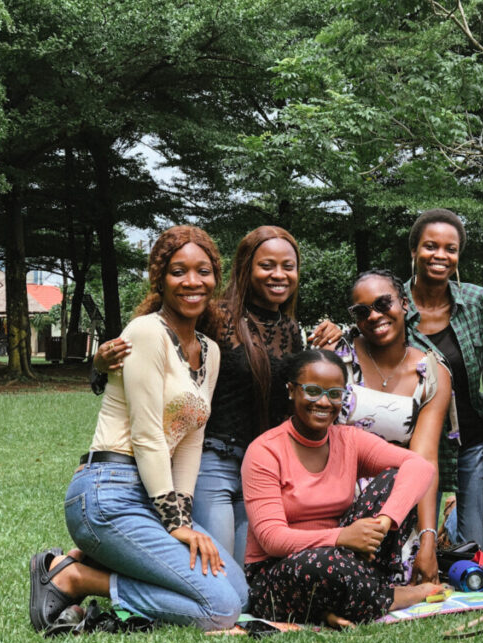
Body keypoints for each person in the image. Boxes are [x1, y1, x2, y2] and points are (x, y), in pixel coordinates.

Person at [28, 226, 248, 632]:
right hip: (109, 492)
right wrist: (177, 524)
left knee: (238, 592)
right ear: (160, 279)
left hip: (154, 498)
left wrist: (178, 514)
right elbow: (147, 435)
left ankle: (89, 561)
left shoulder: (210, 351)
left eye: (203, 271)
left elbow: (190, 441)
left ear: (216, 277)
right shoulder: (145, 333)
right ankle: (76, 578)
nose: (192, 282)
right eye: (178, 271)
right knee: (220, 609)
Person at [93, 226, 342, 566]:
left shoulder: (290, 330)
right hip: (213, 461)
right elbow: (154, 352)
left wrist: (328, 343)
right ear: (245, 268)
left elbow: (296, 396)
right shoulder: (217, 317)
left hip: (261, 469)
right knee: (218, 569)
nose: (279, 275)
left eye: (289, 266)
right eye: (267, 265)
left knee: (246, 578)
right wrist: (98, 366)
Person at [241, 350, 442, 627]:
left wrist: (381, 525)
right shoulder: (265, 451)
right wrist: (342, 537)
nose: (324, 402)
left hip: (347, 558)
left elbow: (421, 467)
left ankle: (335, 607)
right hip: (278, 574)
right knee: (325, 564)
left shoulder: (348, 440)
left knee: (398, 479)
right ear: (291, 390)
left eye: (334, 394)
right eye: (312, 391)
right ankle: (390, 596)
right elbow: (272, 539)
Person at [336, 269, 452, 584]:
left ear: (403, 304)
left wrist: (428, 538)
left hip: (398, 499)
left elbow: (425, 460)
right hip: (336, 492)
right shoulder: (337, 361)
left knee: (393, 577)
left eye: (383, 303)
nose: (374, 316)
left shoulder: (432, 373)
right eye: (362, 312)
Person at [403, 209, 483, 547]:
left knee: (475, 550)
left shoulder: (479, 302)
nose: (440, 256)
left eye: (450, 249)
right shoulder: (392, 305)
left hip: (471, 441)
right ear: (413, 251)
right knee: (411, 549)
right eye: (430, 246)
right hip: (415, 446)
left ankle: (453, 519)